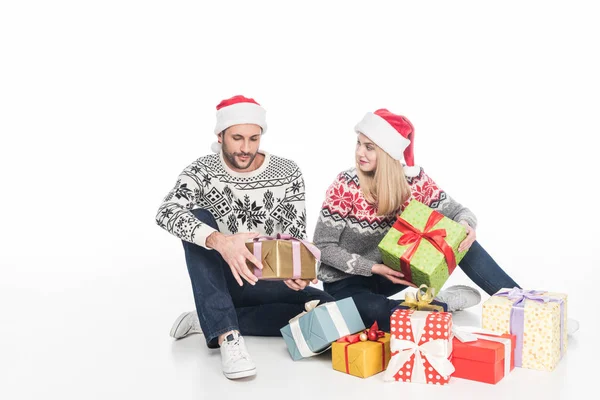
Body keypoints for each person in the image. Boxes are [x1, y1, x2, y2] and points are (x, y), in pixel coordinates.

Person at [156, 95, 334, 379]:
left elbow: (295, 237)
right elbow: (166, 212)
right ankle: (227, 334)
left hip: (265, 277)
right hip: (221, 276)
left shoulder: (287, 172)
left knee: (326, 309)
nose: (246, 148)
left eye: (254, 138)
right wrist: (222, 242)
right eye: (237, 138)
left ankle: (210, 318)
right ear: (220, 135)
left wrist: (297, 270)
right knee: (198, 218)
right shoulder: (202, 171)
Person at [314, 109, 523, 332]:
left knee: (463, 240)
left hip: (392, 274)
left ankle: (524, 307)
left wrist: (465, 226)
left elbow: (459, 211)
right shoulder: (345, 185)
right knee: (373, 312)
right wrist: (372, 267)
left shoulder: (413, 182)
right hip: (346, 281)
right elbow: (322, 247)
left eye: (369, 147)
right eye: (358, 143)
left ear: (387, 152)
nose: (360, 153)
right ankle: (439, 303)